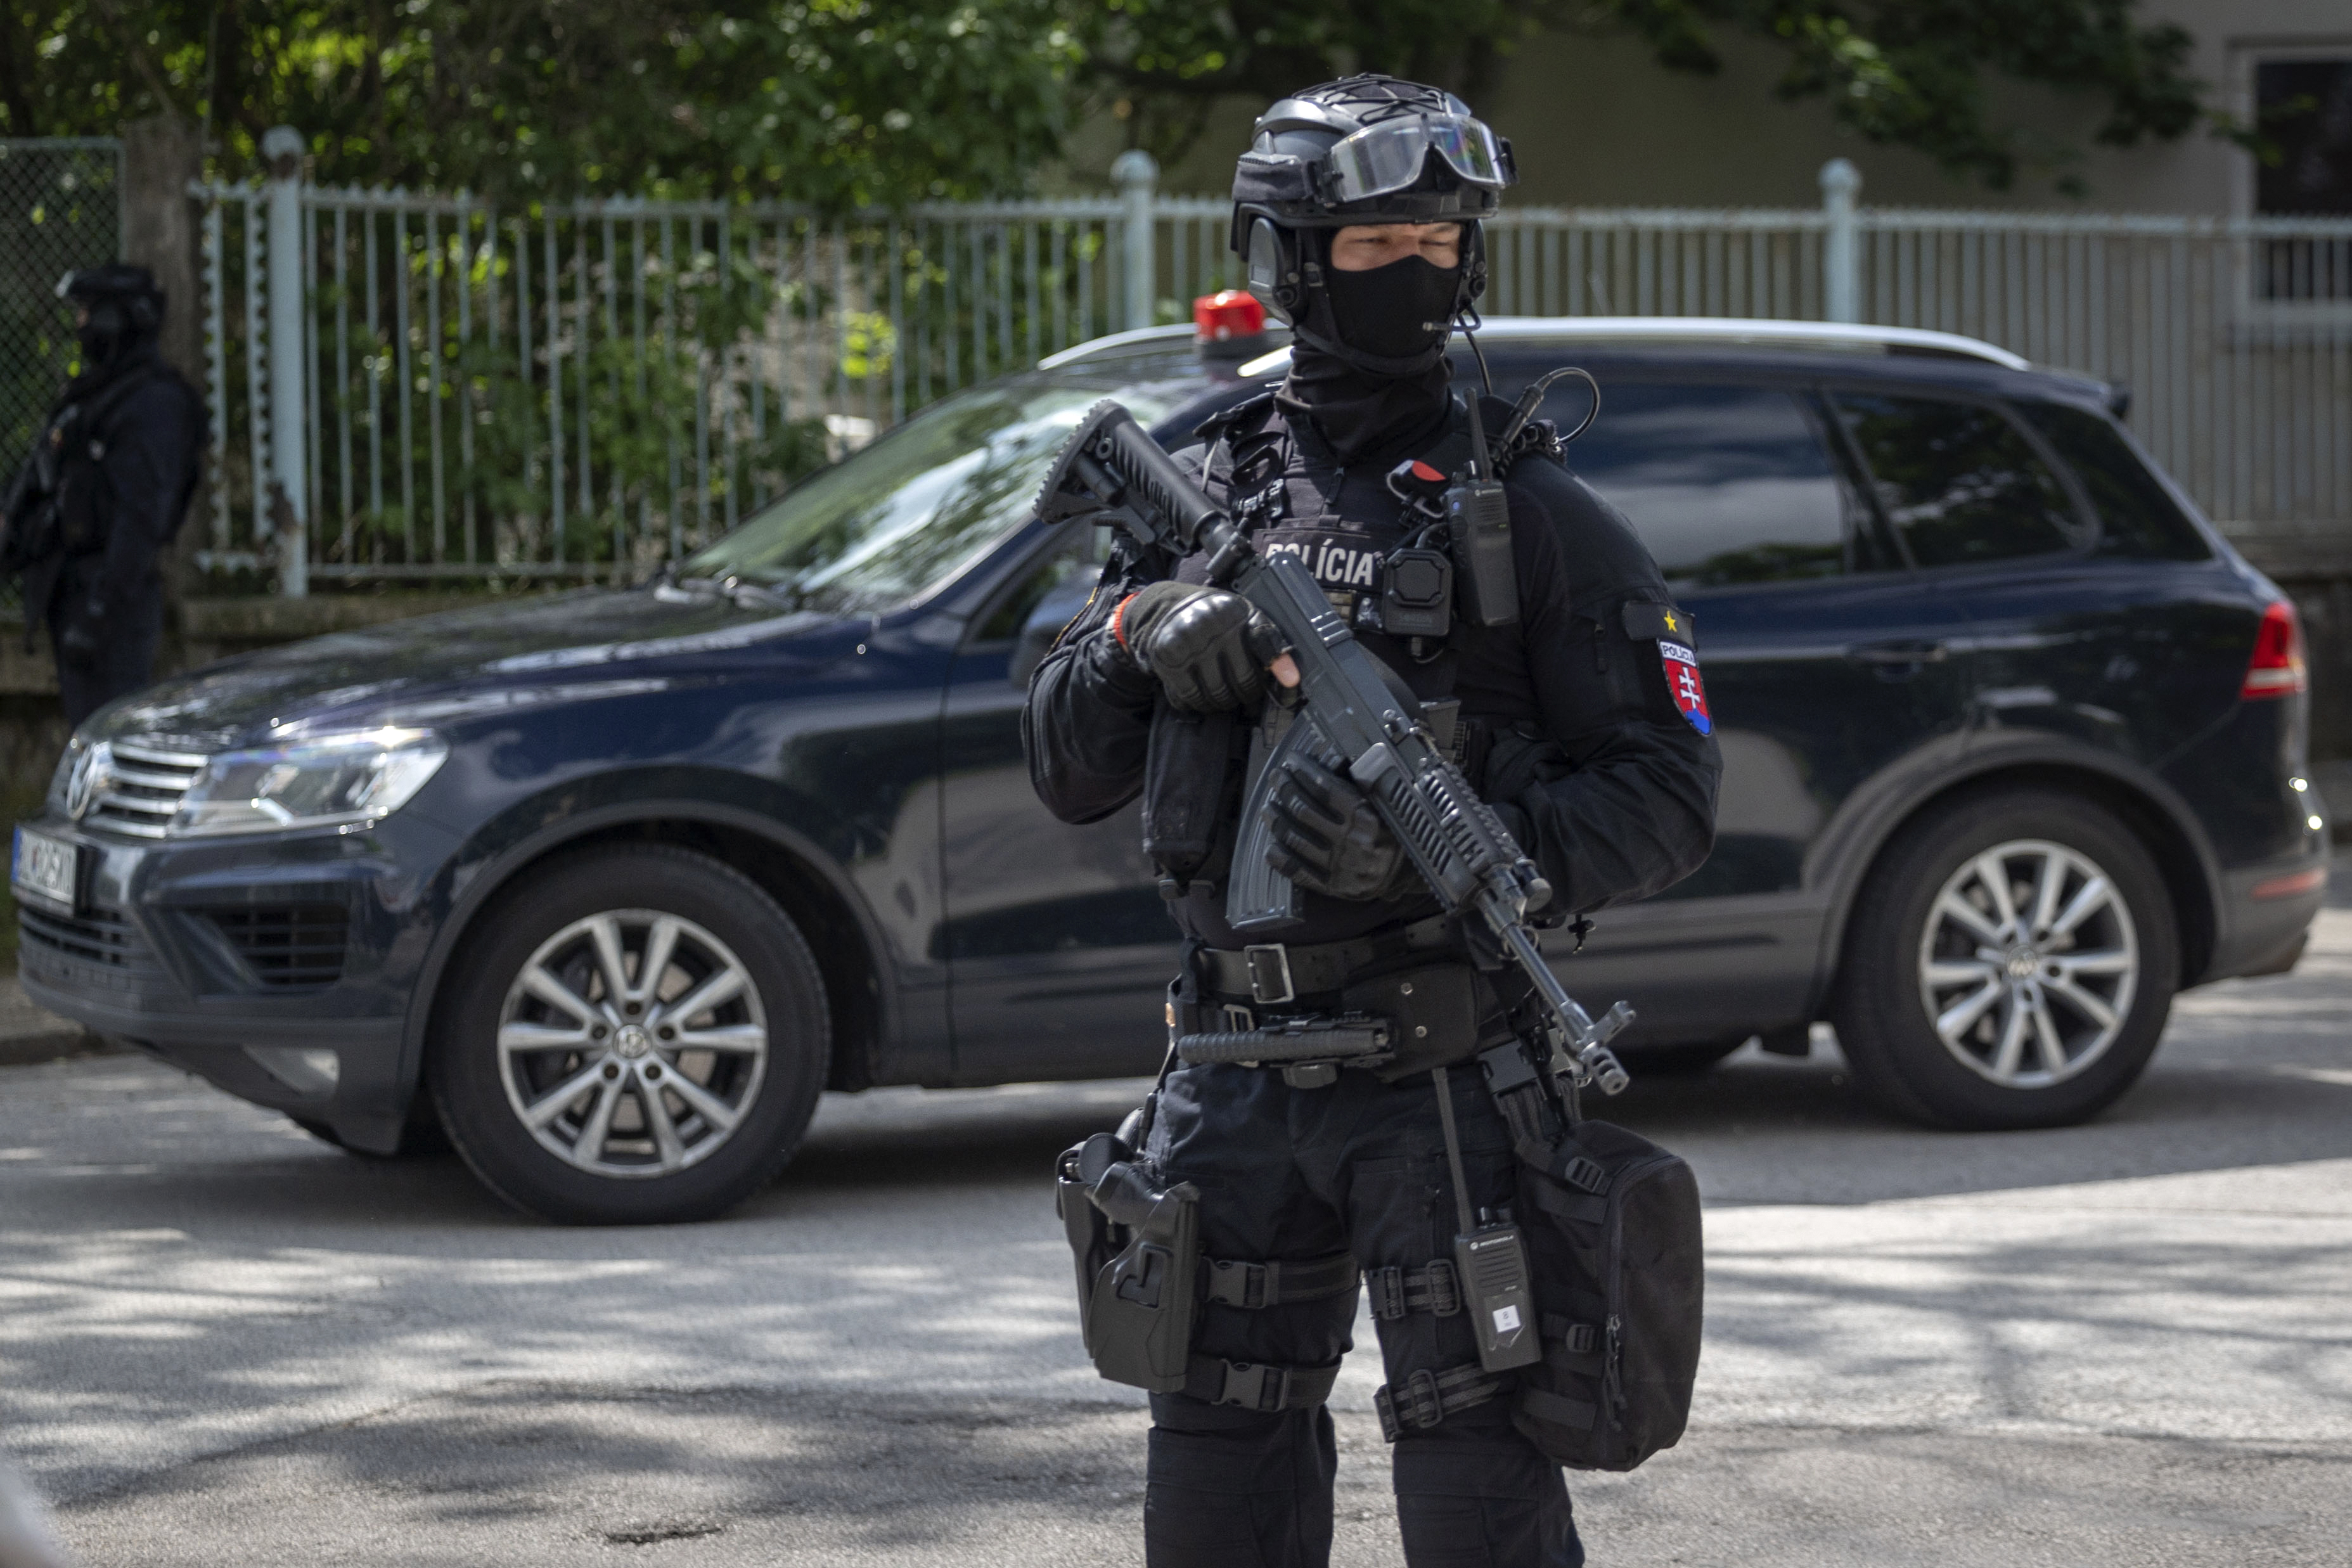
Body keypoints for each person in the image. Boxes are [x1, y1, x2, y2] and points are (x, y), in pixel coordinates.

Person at [1024, 76, 1720, 1567]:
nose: (1413, 268)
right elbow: (1065, 763)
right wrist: (1141, 633)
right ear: (1287, 254)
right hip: (1225, 1070)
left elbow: (1668, 795)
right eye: (1370, 241)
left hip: (1445, 1084)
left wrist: (1465, 841)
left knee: (1473, 1468)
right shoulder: (1202, 483)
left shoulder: (1532, 516)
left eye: (1435, 238)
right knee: (1217, 1456)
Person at [1, 265, 203, 726]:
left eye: (90, 313)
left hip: (112, 603)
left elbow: (141, 517)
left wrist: (100, 612)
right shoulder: (95, 395)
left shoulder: (153, 403)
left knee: (111, 734)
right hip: (75, 592)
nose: (81, 325)